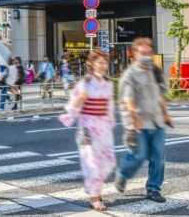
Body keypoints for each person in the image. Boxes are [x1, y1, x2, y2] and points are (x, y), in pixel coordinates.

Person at [115, 37, 172, 203]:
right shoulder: (130, 75)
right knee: (139, 155)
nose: (146, 55)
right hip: (138, 123)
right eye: (142, 52)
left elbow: (160, 95)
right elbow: (128, 99)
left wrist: (165, 114)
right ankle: (123, 174)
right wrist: (135, 117)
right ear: (134, 54)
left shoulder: (156, 71)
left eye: (148, 52)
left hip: (156, 121)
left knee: (158, 157)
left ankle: (154, 188)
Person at [61, 50, 115, 211]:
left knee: (107, 163)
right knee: (92, 163)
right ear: (91, 64)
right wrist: (79, 99)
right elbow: (72, 106)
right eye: (99, 62)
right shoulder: (84, 83)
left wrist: (110, 122)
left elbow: (109, 106)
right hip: (88, 128)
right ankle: (95, 198)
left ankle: (95, 190)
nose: (103, 66)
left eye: (104, 63)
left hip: (104, 128)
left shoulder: (108, 84)